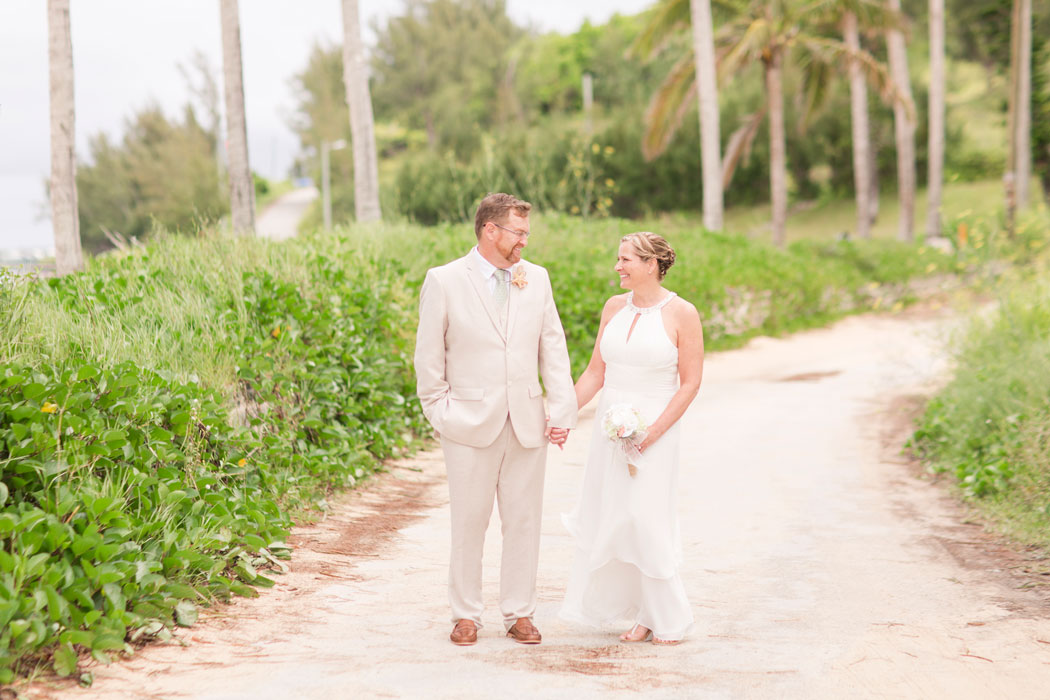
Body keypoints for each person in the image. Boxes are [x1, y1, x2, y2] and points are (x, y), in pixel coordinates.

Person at [414, 192, 578, 647]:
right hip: (466, 422)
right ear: (490, 230)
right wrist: (441, 412)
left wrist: (561, 410)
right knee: (469, 522)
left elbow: (553, 346)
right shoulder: (444, 280)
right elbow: (428, 357)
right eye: (518, 232)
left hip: (527, 420)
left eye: (526, 233)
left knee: (524, 521)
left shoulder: (536, 278)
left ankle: (520, 613)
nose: (525, 241)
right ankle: (466, 615)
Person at [560, 232, 703, 645]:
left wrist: (652, 434)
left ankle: (667, 613)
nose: (617, 267)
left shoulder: (682, 313)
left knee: (645, 516)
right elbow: (594, 374)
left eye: (625, 259)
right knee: (617, 515)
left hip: (656, 429)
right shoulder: (613, 308)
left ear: (651, 264)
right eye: (618, 258)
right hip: (611, 428)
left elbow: (690, 383)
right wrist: (564, 413)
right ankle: (642, 615)